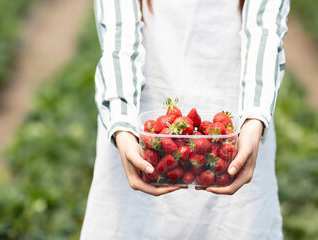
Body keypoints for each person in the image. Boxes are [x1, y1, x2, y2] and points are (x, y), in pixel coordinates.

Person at [81, 0, 290, 239]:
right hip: (140, 133)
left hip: (237, 136)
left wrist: (254, 118)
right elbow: (119, 39)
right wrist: (122, 125)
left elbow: (264, 28)